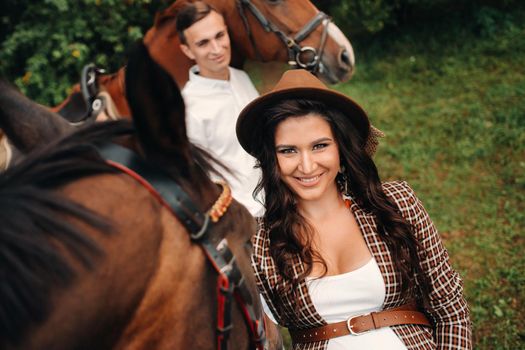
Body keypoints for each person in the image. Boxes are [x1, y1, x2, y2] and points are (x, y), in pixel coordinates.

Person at [236, 69, 472, 349]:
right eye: (288, 150)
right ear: (271, 159)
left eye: (320, 146)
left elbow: (451, 311)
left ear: (341, 148)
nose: (307, 166)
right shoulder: (259, 241)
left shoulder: (395, 203)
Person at [176, 1, 263, 216]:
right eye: (203, 43)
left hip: (278, 202)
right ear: (187, 50)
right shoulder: (187, 108)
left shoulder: (241, 77)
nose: (217, 49)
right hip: (244, 218)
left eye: (220, 36)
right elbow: (199, 184)